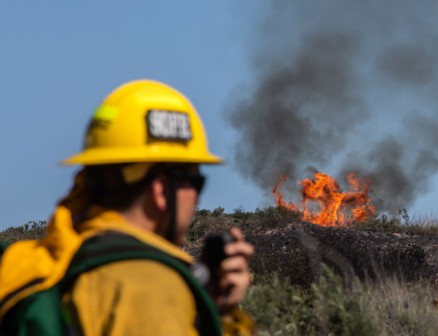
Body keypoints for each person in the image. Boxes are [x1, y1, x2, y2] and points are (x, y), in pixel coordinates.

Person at [2, 79, 255, 335]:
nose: (198, 199)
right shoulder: (149, 287)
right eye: (195, 183)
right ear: (160, 190)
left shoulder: (48, 263)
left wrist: (216, 311)